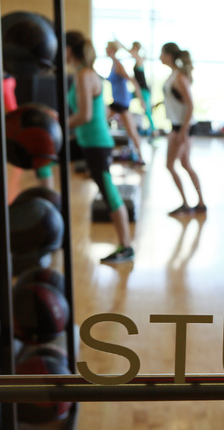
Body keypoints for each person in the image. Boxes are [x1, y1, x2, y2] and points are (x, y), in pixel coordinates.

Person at [66, 31, 134, 263]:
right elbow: (100, 110)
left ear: (69, 50)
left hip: (96, 144)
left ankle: (126, 247)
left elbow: (84, 115)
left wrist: (59, 124)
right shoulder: (84, 74)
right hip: (87, 140)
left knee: (108, 192)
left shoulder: (84, 75)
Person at [160, 42, 206, 216]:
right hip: (179, 125)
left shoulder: (179, 77)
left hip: (182, 127)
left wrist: (182, 132)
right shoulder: (174, 75)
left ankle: (186, 204)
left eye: (162, 53)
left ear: (169, 56)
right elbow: (177, 99)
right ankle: (199, 203)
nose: (159, 57)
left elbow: (190, 105)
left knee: (170, 165)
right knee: (185, 164)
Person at [105, 41, 145, 165]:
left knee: (131, 131)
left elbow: (133, 81)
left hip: (122, 102)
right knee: (103, 122)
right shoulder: (113, 64)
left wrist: (141, 99)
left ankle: (140, 157)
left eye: (107, 48)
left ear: (112, 50)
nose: (105, 50)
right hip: (116, 101)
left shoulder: (118, 65)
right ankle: (106, 154)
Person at [127, 41, 156, 135]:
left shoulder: (139, 59)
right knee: (125, 100)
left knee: (147, 111)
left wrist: (117, 41)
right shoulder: (139, 60)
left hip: (143, 90)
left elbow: (129, 51)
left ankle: (154, 131)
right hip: (138, 90)